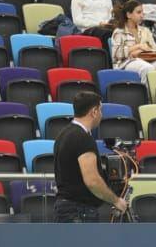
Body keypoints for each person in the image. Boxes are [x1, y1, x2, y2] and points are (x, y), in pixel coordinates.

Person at [52, 90, 128, 223]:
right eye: (100, 110)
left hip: (65, 209)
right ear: (94, 112)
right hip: (79, 212)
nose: (101, 114)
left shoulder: (62, 135)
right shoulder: (83, 138)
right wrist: (116, 200)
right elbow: (92, 181)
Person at [110, 1, 156, 80]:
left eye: (142, 12)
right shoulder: (119, 31)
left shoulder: (145, 30)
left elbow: (155, 48)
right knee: (147, 68)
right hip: (125, 63)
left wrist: (139, 51)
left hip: (146, 60)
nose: (142, 15)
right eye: (139, 12)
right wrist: (138, 46)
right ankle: (149, 88)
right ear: (129, 15)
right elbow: (117, 54)